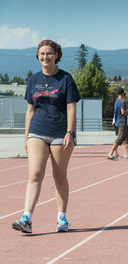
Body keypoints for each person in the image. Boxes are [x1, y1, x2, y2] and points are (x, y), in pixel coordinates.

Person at [12, 40, 80, 234]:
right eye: (42, 54)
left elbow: (71, 107)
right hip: (37, 131)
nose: (45, 57)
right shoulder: (33, 80)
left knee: (59, 176)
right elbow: (30, 110)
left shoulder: (65, 79)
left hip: (60, 133)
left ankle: (62, 218)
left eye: (49, 53)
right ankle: (27, 218)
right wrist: (26, 136)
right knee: (34, 174)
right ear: (38, 56)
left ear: (56, 55)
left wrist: (70, 132)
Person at [107, 87, 128, 160]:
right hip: (122, 123)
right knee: (120, 138)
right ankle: (110, 153)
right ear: (123, 93)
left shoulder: (116, 101)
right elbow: (123, 112)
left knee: (127, 136)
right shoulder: (122, 102)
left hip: (118, 122)